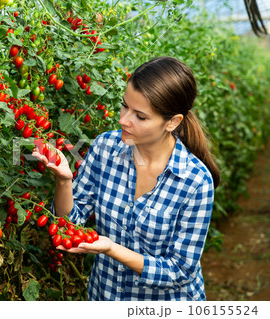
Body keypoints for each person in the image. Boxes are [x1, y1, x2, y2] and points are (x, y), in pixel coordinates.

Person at [32, 56, 220, 301]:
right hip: (105, 296)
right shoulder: (105, 147)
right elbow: (69, 223)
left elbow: (181, 270)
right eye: (124, 106)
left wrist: (111, 248)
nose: (123, 120)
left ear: (172, 122)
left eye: (140, 117)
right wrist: (64, 181)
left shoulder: (195, 181)